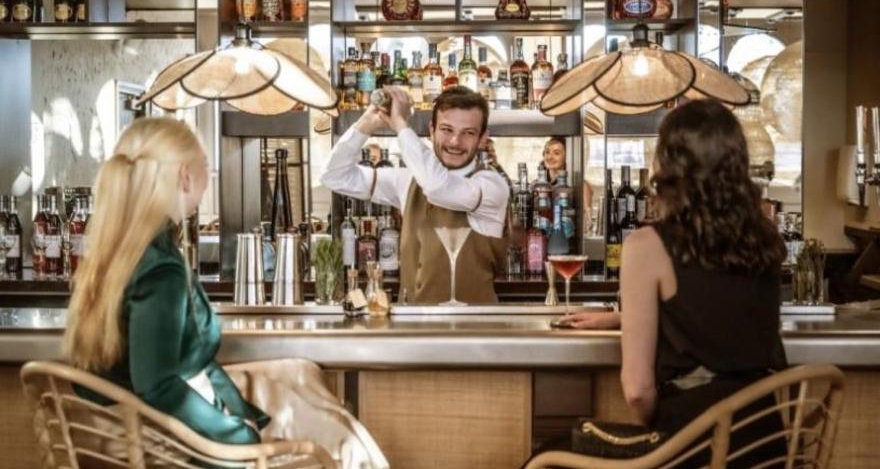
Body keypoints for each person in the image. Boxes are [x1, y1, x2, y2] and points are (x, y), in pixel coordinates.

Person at [63, 118, 384, 465]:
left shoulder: (117, 252)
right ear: (185, 176)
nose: (209, 175)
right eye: (206, 166)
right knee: (338, 446)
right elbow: (157, 386)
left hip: (112, 438)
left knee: (303, 387)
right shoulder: (160, 268)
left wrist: (246, 412)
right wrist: (238, 434)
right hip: (162, 450)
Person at [550, 99, 789, 466]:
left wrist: (660, 439)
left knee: (548, 452)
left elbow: (637, 392)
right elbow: (718, 308)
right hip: (767, 445)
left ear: (668, 166)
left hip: (695, 449)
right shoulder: (765, 240)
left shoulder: (648, 246)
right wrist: (624, 318)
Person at [322, 86, 509, 303]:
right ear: (431, 130)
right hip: (412, 327)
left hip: (474, 330)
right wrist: (366, 124)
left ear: (483, 138)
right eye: (447, 130)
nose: (455, 142)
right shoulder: (407, 180)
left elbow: (438, 188)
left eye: (468, 133)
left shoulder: (491, 185)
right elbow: (334, 176)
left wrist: (401, 125)